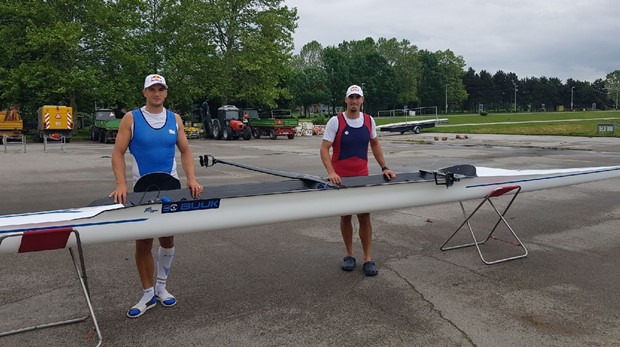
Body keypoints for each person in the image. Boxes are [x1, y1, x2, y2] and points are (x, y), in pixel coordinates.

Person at [110, 74, 203, 318]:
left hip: (170, 185)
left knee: (167, 238)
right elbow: (118, 152)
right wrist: (121, 184)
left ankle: (162, 287)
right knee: (143, 241)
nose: (156, 93)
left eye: (161, 89)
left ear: (166, 92)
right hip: (143, 186)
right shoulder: (131, 118)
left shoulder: (175, 119)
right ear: (144, 93)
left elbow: (185, 150)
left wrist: (191, 179)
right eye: (152, 89)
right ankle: (147, 293)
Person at [320, 84, 396, 276]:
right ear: (346, 100)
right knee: (346, 216)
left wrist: (384, 167)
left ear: (362, 100)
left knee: (364, 216)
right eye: (351, 98)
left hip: (362, 177)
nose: (354, 101)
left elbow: (375, 144)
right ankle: (349, 255)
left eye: (357, 98)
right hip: (341, 179)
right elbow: (324, 149)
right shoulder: (335, 121)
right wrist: (331, 172)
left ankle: (368, 258)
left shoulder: (369, 120)